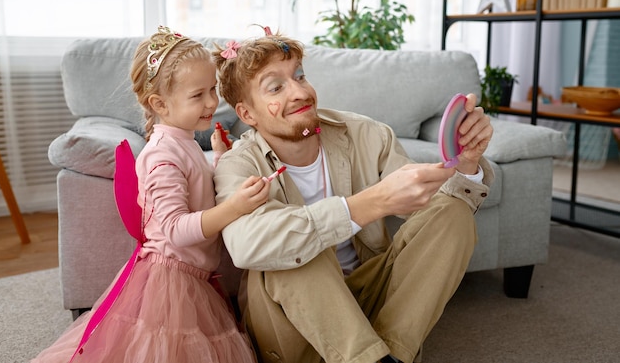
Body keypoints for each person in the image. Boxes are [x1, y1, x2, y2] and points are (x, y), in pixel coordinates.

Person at [211, 28, 494, 363]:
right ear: (247, 115)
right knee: (290, 247)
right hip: (294, 322)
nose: (300, 91)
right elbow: (246, 246)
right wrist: (367, 205)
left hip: (370, 299)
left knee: (453, 213)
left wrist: (465, 165)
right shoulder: (236, 165)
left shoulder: (366, 134)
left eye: (300, 76)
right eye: (277, 86)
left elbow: (430, 211)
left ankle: (388, 354)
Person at [31, 26, 270, 363]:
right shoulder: (161, 155)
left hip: (193, 274)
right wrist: (235, 207)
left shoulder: (183, 141)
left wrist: (219, 159)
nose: (212, 102)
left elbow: (198, 192)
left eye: (212, 89)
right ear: (160, 103)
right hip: (172, 278)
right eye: (198, 95)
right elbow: (176, 229)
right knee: (163, 349)